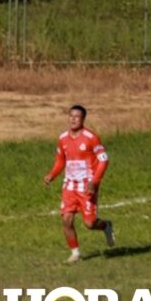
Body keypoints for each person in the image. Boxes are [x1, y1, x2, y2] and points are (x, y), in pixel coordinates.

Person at [43, 105, 115, 263]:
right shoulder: (62, 138)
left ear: (83, 119)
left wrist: (94, 181)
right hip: (69, 186)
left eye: (77, 116)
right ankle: (75, 253)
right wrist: (52, 175)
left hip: (86, 186)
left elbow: (104, 160)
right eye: (71, 116)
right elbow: (60, 160)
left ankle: (106, 226)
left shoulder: (91, 137)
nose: (73, 119)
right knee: (66, 220)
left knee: (89, 223)